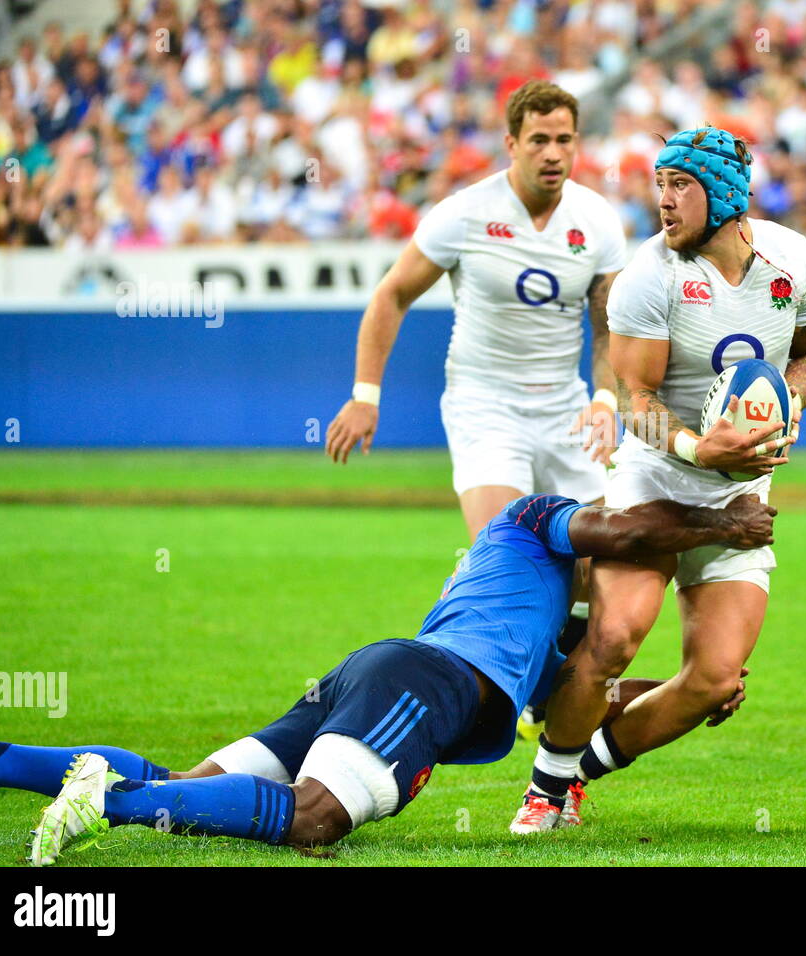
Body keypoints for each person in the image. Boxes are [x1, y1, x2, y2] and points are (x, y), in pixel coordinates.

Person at [0, 493, 774, 865]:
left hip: (377, 674)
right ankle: (104, 803)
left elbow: (569, 702)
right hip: (428, 685)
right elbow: (623, 526)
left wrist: (691, 687)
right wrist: (723, 523)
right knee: (315, 822)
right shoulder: (534, 520)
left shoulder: (536, 624)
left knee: (194, 785)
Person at [509, 126, 806, 833]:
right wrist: (699, 447)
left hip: (741, 496)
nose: (662, 200)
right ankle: (542, 794)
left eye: (679, 185)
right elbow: (637, 400)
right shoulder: (648, 276)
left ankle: (578, 772)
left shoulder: (795, 261)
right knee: (617, 638)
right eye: (658, 184)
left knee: (716, 681)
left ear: (724, 194)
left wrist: (787, 401)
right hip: (655, 482)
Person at [324, 82, 627, 737]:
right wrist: (364, 396)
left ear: (578, 142)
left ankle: (547, 682)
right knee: (510, 553)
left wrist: (607, 400)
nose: (553, 152)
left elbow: (608, 331)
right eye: (539, 139)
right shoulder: (465, 213)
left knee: (600, 570)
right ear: (511, 143)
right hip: (484, 404)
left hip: (568, 411)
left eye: (564, 139)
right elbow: (390, 297)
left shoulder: (598, 220)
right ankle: (458, 672)